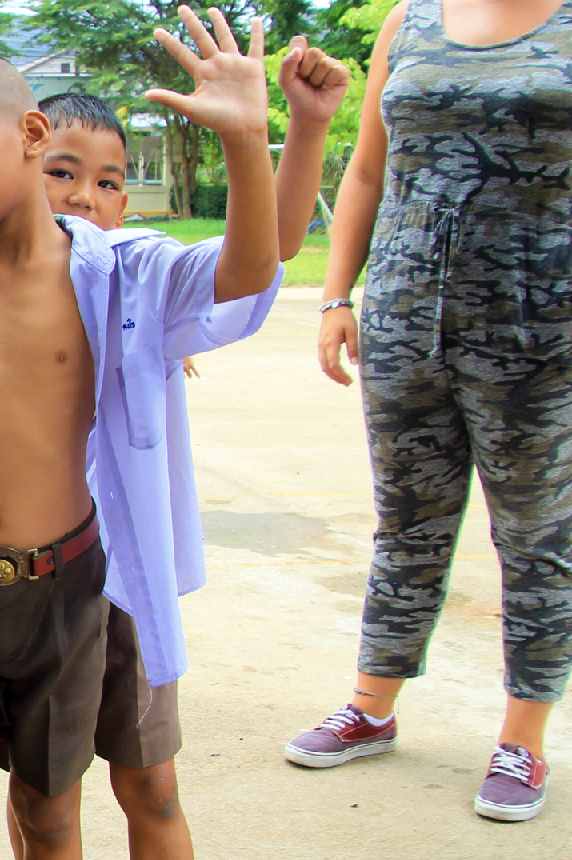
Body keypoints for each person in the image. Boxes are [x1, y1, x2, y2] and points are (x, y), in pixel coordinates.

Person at [0, 11, 283, 857]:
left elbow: (244, 277)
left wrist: (249, 139)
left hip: (64, 589)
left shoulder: (118, 273)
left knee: (51, 814)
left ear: (27, 132)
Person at [6, 45, 344, 858]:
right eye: (61, 172)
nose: (86, 196)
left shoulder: (142, 278)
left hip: (121, 580)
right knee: (43, 801)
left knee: (151, 784)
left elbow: (259, 259)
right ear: (15, 163)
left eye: (109, 181)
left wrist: (294, 128)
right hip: (17, 587)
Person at [291, 0, 572, 824]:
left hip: (540, 323)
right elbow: (370, 170)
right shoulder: (409, 20)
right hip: (407, 317)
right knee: (406, 522)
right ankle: (372, 706)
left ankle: (524, 738)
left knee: (535, 534)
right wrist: (336, 296)